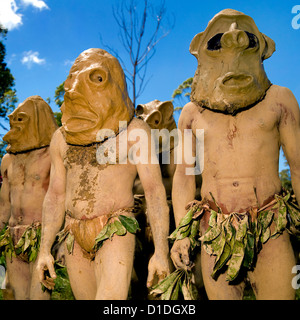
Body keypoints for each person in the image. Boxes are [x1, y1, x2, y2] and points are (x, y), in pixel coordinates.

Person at [170, 9, 300, 300]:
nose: (232, 36)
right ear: (201, 49)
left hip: (270, 228)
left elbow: (298, 165)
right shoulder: (192, 113)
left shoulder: (279, 99)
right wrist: (181, 232)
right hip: (215, 231)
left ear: (261, 46)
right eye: (218, 40)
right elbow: (183, 174)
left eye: (244, 35)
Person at [36, 48, 171, 300]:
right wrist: (44, 249)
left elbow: (154, 190)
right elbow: (55, 195)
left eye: (96, 78)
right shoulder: (61, 139)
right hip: (74, 233)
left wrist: (160, 251)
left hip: (115, 228)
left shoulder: (134, 131)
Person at [0, 96, 58, 299]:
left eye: (21, 119)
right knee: (13, 295)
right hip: (12, 237)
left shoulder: (52, 154)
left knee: (39, 296)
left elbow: (60, 196)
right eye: (13, 118)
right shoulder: (7, 159)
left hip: (40, 236)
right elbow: (4, 203)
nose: (14, 123)